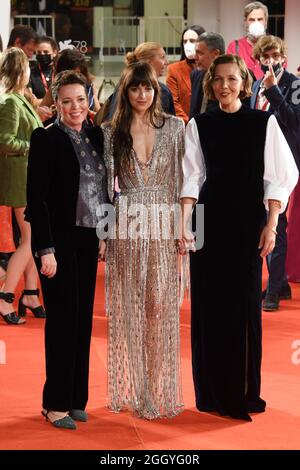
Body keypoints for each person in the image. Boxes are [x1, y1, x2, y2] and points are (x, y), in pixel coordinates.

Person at [180, 54, 298, 421]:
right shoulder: (199, 124)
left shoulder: (263, 123)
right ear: (211, 84)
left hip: (248, 224)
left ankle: (244, 392)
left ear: (243, 82)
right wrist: (184, 222)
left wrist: (272, 224)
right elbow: (191, 177)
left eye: (232, 79)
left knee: (245, 307)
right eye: (218, 80)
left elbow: (281, 175)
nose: (225, 86)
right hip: (209, 225)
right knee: (210, 307)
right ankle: (212, 392)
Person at [26, 71, 109, 430]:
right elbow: (37, 200)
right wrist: (44, 249)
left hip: (89, 238)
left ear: (89, 100)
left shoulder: (96, 134)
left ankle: (76, 398)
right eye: (66, 101)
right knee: (61, 320)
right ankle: (54, 402)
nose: (74, 107)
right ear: (56, 104)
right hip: (57, 241)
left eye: (80, 99)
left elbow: (105, 189)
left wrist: (105, 231)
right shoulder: (45, 138)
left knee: (82, 320)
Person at [102, 62, 184, 419]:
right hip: (127, 226)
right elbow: (106, 188)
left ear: (156, 91)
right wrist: (104, 235)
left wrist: (190, 230)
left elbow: (188, 182)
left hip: (165, 226)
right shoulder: (111, 131)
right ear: (126, 91)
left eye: (147, 88)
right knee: (133, 310)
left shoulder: (175, 127)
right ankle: (139, 389)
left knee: (158, 309)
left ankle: (155, 387)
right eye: (135, 89)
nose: (142, 95)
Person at [251, 35, 300, 311]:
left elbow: (294, 122)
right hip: (259, 163)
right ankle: (279, 284)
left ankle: (273, 289)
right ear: (257, 60)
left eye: (274, 55)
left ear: (283, 57)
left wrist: (274, 92)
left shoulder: (294, 84)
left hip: (284, 164)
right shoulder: (256, 84)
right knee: (264, 223)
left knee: (277, 225)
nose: (270, 61)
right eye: (264, 57)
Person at [0, 47, 44, 325]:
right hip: (19, 179)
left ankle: (30, 293)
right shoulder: (10, 102)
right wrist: (32, 147)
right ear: (22, 70)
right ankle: (5, 298)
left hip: (25, 177)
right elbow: (5, 140)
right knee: (31, 239)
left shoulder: (18, 98)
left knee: (30, 239)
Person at [98, 42, 175, 123]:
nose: (166, 62)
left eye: (147, 89)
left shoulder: (122, 83)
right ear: (147, 62)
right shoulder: (162, 90)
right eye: (162, 57)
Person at [167, 25, 205, 123]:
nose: (188, 44)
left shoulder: (209, 68)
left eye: (192, 41)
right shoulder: (174, 69)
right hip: (184, 125)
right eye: (185, 41)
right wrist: (190, 123)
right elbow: (173, 102)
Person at [227, 1, 268, 80]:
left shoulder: (275, 47)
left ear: (265, 21)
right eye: (252, 20)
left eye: (260, 19)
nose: (256, 23)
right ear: (245, 22)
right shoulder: (234, 47)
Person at [189, 32, 225, 119]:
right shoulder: (195, 74)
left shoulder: (237, 77)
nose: (195, 57)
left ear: (215, 54)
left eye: (200, 53)